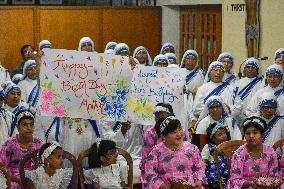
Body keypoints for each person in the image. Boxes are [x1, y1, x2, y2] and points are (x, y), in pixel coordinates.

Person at [144, 115, 205, 189]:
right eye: (174, 132)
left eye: (179, 129)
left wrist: (198, 181)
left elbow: (200, 168)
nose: (179, 134)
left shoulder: (192, 148)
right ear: (163, 136)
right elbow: (150, 174)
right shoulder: (156, 152)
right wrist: (162, 186)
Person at [227, 116, 279, 189]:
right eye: (247, 133)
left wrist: (264, 183)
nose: (251, 136)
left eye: (255, 132)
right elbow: (235, 180)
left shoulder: (270, 152)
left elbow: (273, 176)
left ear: (262, 135)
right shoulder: (239, 154)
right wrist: (250, 184)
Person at [0, 109, 43, 189]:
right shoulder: (9, 143)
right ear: (18, 127)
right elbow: (2, 166)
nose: (29, 128)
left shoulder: (39, 143)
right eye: (24, 125)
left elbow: (43, 166)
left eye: (31, 125)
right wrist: (15, 180)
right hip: (13, 180)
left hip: (34, 180)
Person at [140, 103, 174, 187]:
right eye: (156, 117)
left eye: (161, 116)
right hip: (156, 172)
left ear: (171, 116)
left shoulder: (180, 132)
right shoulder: (150, 134)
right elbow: (147, 160)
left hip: (178, 170)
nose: (158, 120)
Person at [232, 57, 263, 125]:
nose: (250, 69)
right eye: (248, 67)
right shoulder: (237, 83)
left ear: (257, 70)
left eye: (253, 67)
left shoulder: (261, 84)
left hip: (255, 117)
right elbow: (233, 101)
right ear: (244, 69)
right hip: (238, 117)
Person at [201, 122, 230, 189]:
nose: (224, 136)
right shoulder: (209, 147)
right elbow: (203, 162)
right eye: (220, 134)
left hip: (228, 178)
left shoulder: (229, 146)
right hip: (213, 178)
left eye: (224, 133)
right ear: (212, 138)